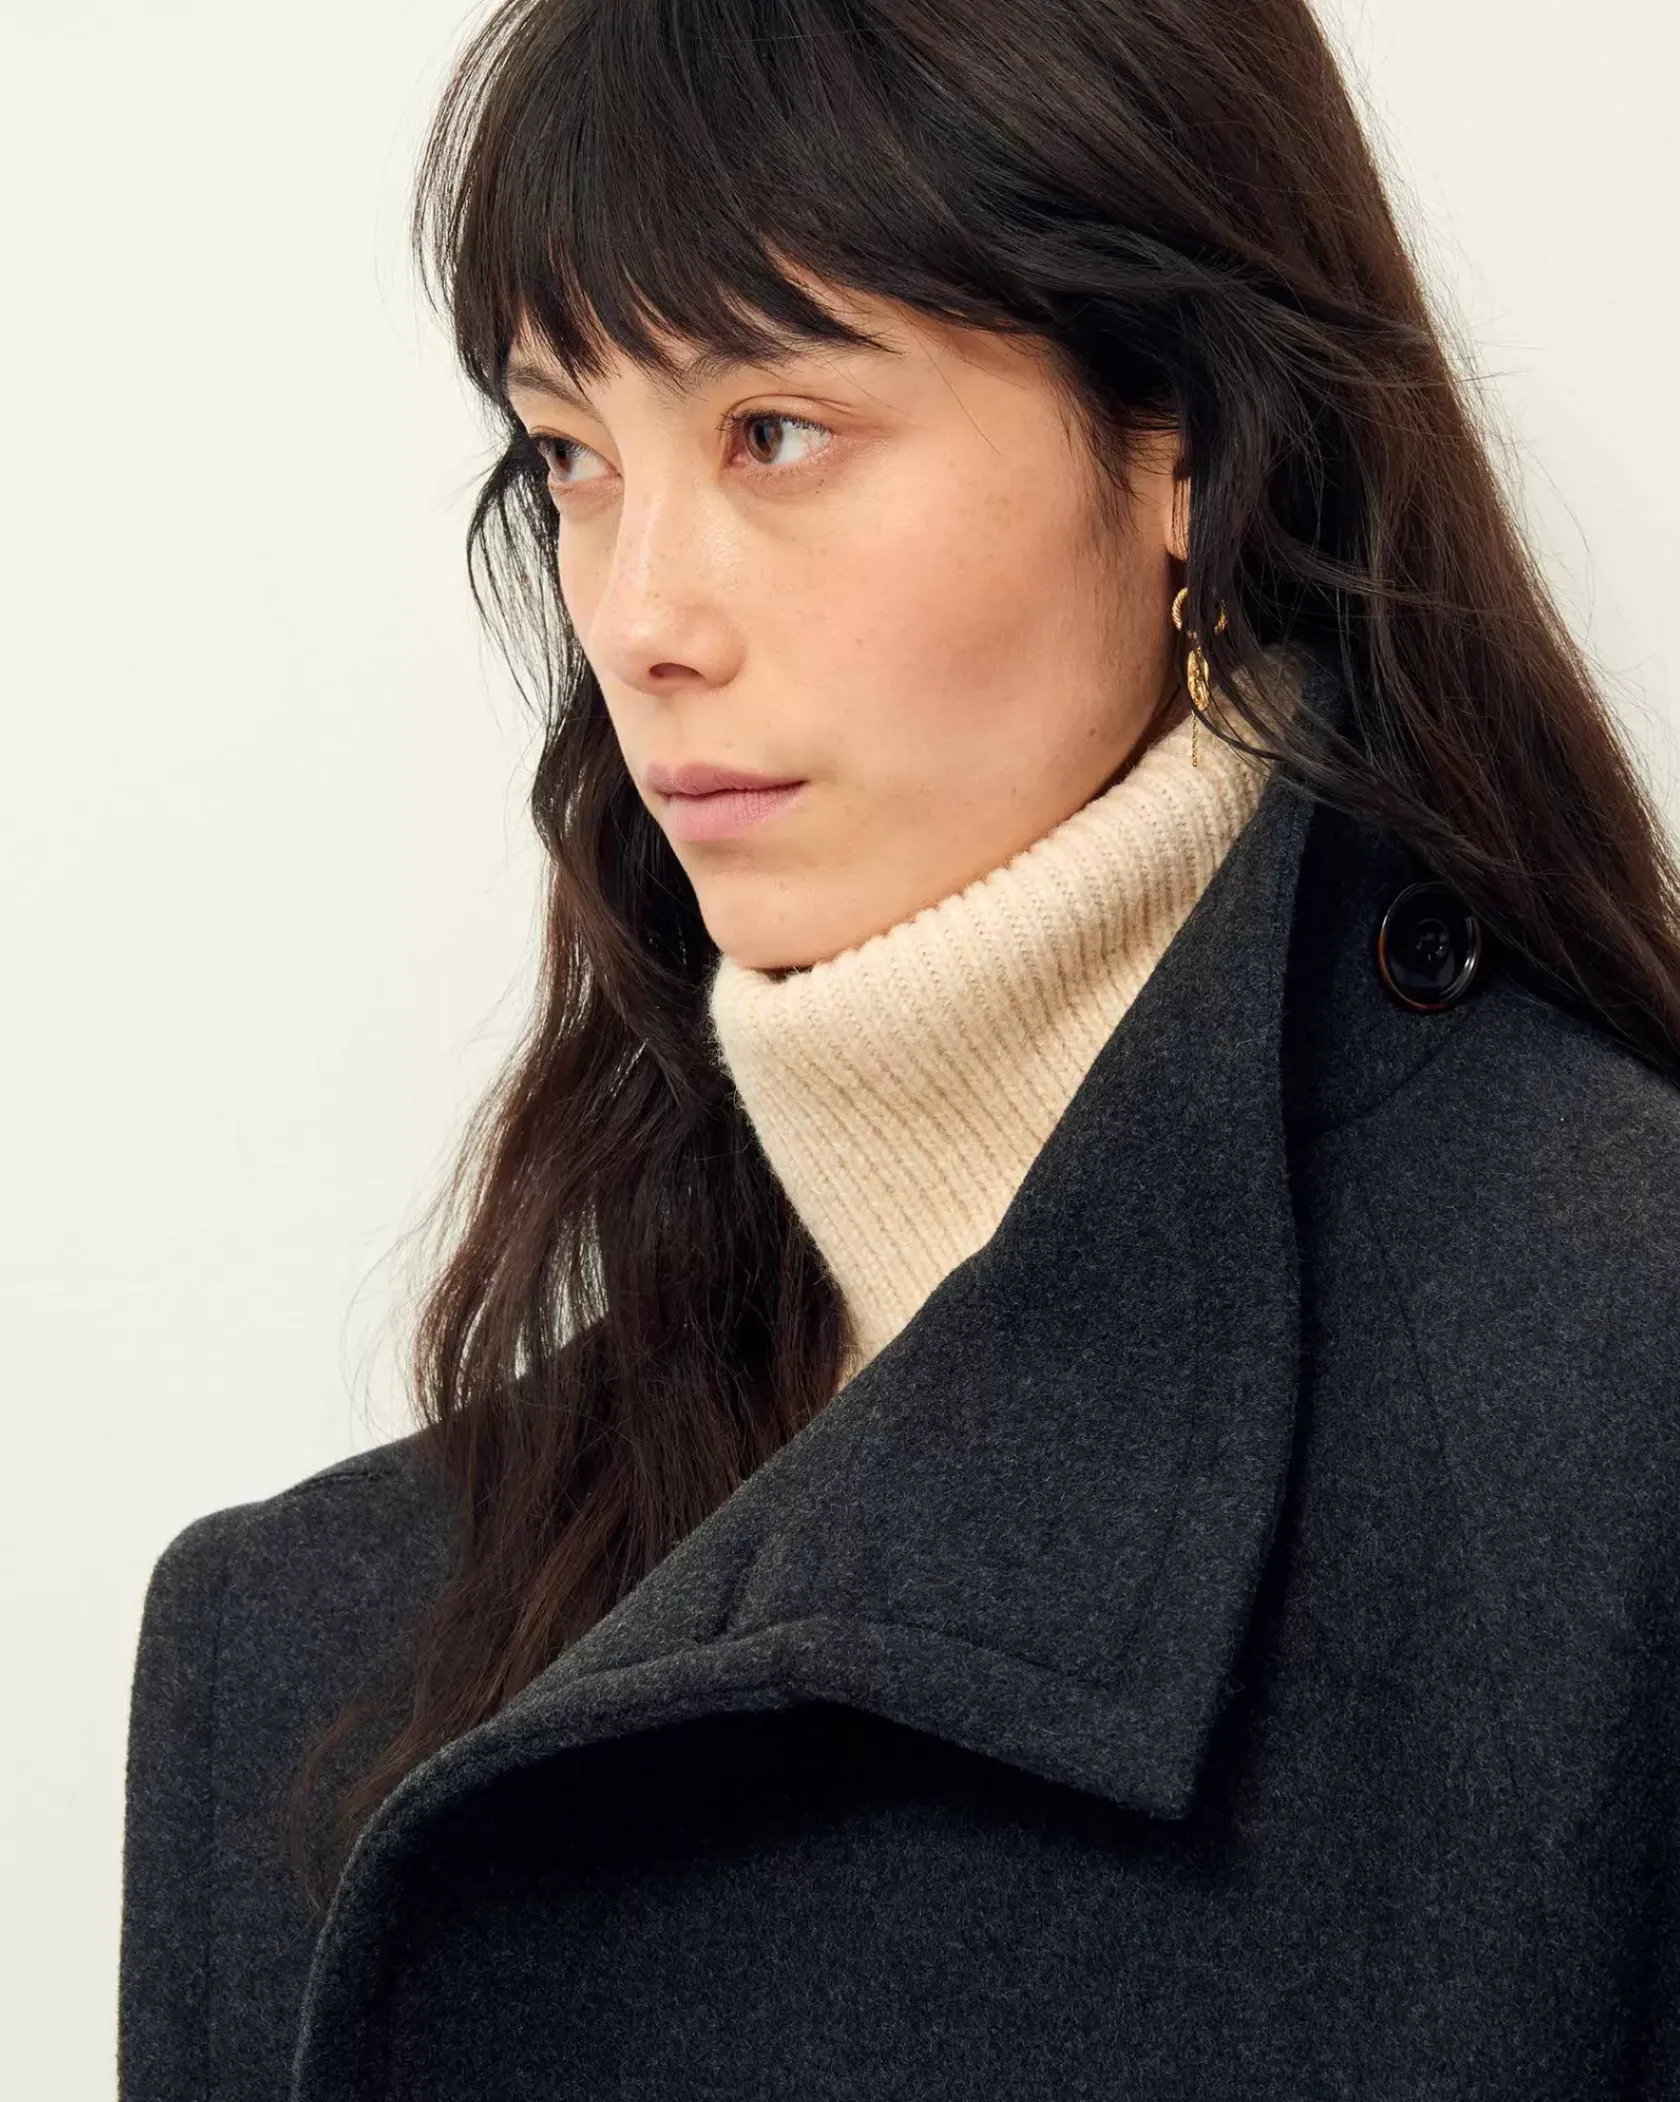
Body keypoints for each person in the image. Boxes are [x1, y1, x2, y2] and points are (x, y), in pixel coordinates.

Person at [118, 0, 1680, 2096]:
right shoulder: (313, 1664)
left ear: (1184, 444)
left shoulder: (1616, 1426)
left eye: (775, 432)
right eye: (571, 455)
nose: (639, 617)